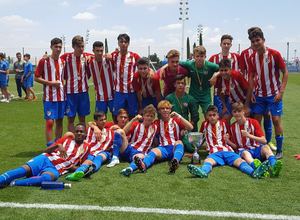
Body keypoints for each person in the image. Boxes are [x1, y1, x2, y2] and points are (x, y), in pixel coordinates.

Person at [187, 105, 269, 179]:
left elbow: (231, 140)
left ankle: (254, 173)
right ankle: (203, 172)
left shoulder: (224, 123)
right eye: (210, 115)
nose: (212, 117)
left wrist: (228, 140)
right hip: (214, 152)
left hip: (227, 150)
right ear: (206, 116)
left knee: (240, 161)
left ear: (218, 116)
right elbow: (201, 139)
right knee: (208, 161)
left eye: (214, 115)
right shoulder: (204, 124)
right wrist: (195, 151)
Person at [0, 123, 89, 188]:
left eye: (81, 131)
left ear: (85, 134)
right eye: (77, 131)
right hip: (45, 158)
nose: (79, 133)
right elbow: (46, 150)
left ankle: (15, 183)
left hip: (57, 168)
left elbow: (78, 166)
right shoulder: (67, 139)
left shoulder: (86, 148)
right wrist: (58, 145)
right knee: (22, 170)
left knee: (47, 178)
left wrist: (76, 168)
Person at [247, 28, 288, 159]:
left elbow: (285, 72)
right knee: (256, 121)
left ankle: (279, 150)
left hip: (273, 94)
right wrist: (252, 92)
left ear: (263, 40)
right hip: (259, 95)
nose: (256, 43)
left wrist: (281, 92)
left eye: (258, 40)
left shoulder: (274, 54)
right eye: (253, 41)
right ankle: (259, 147)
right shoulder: (252, 57)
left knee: (275, 120)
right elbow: (252, 76)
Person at [134, 100, 193, 174]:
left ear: (170, 110)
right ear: (159, 111)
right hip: (163, 148)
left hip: (175, 147)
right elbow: (147, 125)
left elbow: (190, 127)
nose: (165, 110)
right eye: (162, 108)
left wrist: (179, 116)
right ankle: (143, 165)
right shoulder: (157, 123)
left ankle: (175, 162)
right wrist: (139, 118)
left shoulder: (176, 120)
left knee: (179, 142)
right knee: (153, 151)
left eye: (167, 108)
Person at [240, 27, 274, 149]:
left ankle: (268, 141)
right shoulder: (244, 54)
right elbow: (244, 73)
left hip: (265, 91)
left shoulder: (268, 53)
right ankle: (254, 143)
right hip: (251, 91)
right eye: (251, 36)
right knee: (254, 117)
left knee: (268, 115)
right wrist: (249, 91)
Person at [230, 102, 282, 177]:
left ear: (243, 111)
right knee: (245, 153)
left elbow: (264, 141)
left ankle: (274, 166)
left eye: (239, 111)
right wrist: (228, 141)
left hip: (256, 148)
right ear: (232, 113)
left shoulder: (253, 122)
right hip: (245, 151)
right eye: (235, 112)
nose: (237, 114)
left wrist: (249, 136)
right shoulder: (232, 127)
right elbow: (235, 147)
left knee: (266, 147)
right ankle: (257, 167)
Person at [65, 112, 122, 181]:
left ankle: (91, 169)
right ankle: (78, 172)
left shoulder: (109, 129)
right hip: (91, 151)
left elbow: (119, 135)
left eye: (104, 119)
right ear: (96, 121)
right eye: (101, 120)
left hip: (104, 152)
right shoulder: (89, 129)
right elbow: (88, 124)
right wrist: (94, 127)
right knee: (89, 159)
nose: (104, 122)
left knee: (100, 157)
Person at [35, 38, 66, 146]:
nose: (58, 49)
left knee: (59, 121)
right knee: (49, 122)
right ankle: (50, 146)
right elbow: (36, 77)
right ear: (51, 47)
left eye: (60, 47)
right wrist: (51, 83)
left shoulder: (63, 62)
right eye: (56, 47)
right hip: (49, 97)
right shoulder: (44, 61)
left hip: (62, 97)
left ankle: (57, 144)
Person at [115, 105, 158, 176]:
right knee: (119, 131)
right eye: (147, 115)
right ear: (143, 116)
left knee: (139, 158)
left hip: (140, 152)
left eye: (151, 116)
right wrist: (134, 119)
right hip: (129, 148)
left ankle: (129, 169)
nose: (149, 118)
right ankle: (115, 157)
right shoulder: (136, 124)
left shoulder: (155, 126)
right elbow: (124, 131)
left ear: (154, 118)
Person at [61, 35, 91, 132]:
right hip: (70, 93)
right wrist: (46, 56)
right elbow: (54, 58)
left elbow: (99, 55)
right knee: (71, 119)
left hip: (83, 93)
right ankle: (71, 141)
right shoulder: (66, 57)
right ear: (73, 46)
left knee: (82, 119)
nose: (81, 49)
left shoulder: (87, 56)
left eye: (82, 46)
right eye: (79, 46)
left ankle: (81, 139)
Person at [179, 46, 219, 118]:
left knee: (208, 115)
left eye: (202, 56)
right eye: (197, 56)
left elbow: (223, 68)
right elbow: (176, 62)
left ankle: (208, 129)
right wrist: (163, 68)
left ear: (205, 56)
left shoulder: (210, 65)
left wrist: (215, 75)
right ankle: (194, 129)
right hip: (193, 95)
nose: (199, 58)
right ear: (193, 56)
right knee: (194, 116)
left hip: (205, 95)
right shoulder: (190, 64)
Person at [165, 75, 199, 152]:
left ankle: (186, 142)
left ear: (185, 85)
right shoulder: (169, 98)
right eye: (178, 83)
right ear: (174, 85)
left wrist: (187, 128)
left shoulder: (190, 98)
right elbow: (163, 115)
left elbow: (195, 116)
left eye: (182, 83)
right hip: (172, 126)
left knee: (190, 148)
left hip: (185, 126)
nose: (180, 85)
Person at [209, 34, 240, 116]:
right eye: (224, 43)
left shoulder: (237, 57)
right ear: (220, 44)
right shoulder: (213, 58)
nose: (226, 45)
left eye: (228, 44)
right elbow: (209, 75)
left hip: (233, 92)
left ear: (231, 45)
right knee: (219, 116)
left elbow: (241, 72)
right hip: (218, 93)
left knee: (230, 116)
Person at [111, 33, 140, 120]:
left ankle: (130, 132)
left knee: (132, 115)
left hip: (131, 91)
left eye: (125, 42)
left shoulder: (134, 56)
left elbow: (144, 65)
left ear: (128, 43)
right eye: (121, 41)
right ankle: (117, 132)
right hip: (119, 91)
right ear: (118, 43)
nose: (123, 44)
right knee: (117, 115)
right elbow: (102, 57)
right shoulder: (114, 55)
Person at [214, 58, 248, 122]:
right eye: (221, 70)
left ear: (230, 69)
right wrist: (224, 106)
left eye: (226, 70)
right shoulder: (219, 78)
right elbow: (219, 92)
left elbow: (247, 89)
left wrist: (246, 105)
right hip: (232, 101)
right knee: (225, 118)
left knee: (245, 118)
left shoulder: (237, 75)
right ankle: (228, 131)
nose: (223, 72)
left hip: (244, 99)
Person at [88, 41, 114, 114]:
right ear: (93, 51)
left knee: (116, 118)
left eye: (101, 51)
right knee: (99, 120)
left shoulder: (109, 60)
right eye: (97, 51)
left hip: (112, 95)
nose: (99, 53)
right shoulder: (89, 62)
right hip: (100, 97)